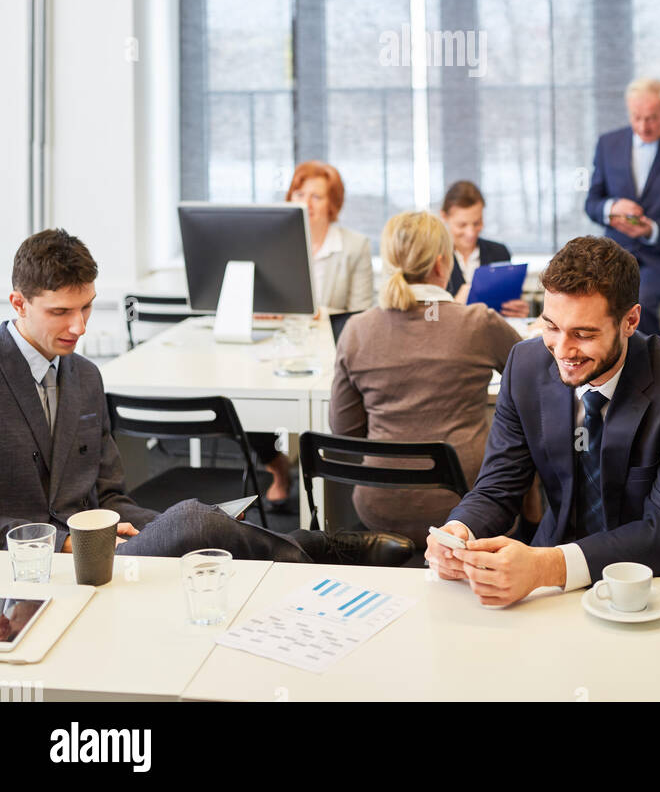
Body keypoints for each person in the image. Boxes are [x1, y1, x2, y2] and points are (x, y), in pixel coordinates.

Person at [425, 235, 660, 702]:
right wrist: (458, 531)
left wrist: (545, 566)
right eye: (551, 325)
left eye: (583, 334)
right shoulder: (525, 364)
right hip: (556, 572)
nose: (562, 349)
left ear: (630, 321)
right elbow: (499, 486)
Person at [0, 229, 411, 568]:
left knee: (200, 524)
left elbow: (110, 497)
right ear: (19, 302)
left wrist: (159, 526)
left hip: (102, 551)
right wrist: (67, 542)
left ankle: (304, 547)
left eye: (87, 308)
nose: (80, 325)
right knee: (195, 522)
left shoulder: (85, 376)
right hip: (34, 561)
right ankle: (320, 549)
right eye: (61, 312)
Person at [329, 211, 521, 549]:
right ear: (441, 264)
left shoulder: (357, 329)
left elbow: (345, 432)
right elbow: (539, 379)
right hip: (468, 510)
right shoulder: (478, 323)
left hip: (380, 507)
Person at [251, 160, 375, 507]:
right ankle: (277, 466)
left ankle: (323, 485)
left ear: (332, 203)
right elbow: (260, 298)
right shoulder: (273, 243)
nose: (306, 202)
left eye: (317, 196)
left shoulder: (354, 246)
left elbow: (362, 313)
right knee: (246, 398)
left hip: (329, 351)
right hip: (279, 345)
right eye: (300, 193)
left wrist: (319, 313)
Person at [585, 77, 660, 335]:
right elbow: (592, 203)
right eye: (636, 117)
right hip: (613, 258)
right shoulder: (609, 144)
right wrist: (613, 207)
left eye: (651, 118)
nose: (643, 126)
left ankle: (646, 373)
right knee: (586, 299)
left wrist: (651, 229)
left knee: (637, 301)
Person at [440, 180, 528, 316]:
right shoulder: (434, 258)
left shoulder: (499, 253)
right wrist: (456, 306)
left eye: (477, 223)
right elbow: (430, 316)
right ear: (444, 216)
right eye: (462, 225)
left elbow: (506, 306)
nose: (471, 233)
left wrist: (517, 311)